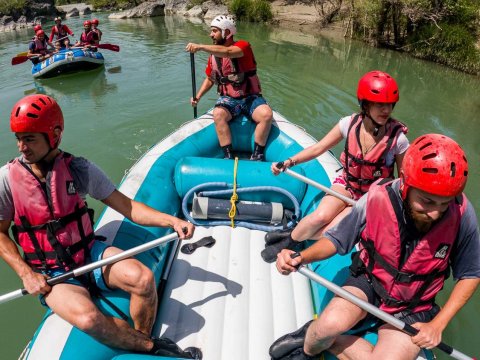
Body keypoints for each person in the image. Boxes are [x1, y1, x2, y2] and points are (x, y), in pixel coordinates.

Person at [0, 95, 201, 359]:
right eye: (19, 138)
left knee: (143, 279)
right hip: (51, 272)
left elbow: (128, 207)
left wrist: (172, 221)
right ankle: (149, 346)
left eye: (29, 139)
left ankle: (143, 337)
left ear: (55, 135)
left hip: (89, 253)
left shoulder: (80, 169)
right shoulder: (7, 179)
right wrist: (26, 273)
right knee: (87, 319)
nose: (21, 147)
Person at [273, 134, 480, 359]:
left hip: (414, 306)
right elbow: (337, 240)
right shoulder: (377, 196)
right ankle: (313, 338)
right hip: (369, 281)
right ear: (405, 183)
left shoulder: (462, 214)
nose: (435, 213)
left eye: (445, 203)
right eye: (427, 201)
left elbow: (470, 274)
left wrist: (438, 324)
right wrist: (301, 257)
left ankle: (333, 343)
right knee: (325, 328)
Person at [262, 70, 409, 263]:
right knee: (319, 217)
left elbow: (404, 181)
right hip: (347, 183)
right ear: (365, 104)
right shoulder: (349, 124)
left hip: (368, 198)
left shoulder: (399, 140)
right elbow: (319, 148)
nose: (386, 110)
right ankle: (290, 240)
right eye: (380, 104)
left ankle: (291, 237)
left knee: (334, 230)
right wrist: (289, 162)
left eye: (390, 105)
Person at [185, 15, 273, 161]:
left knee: (266, 115)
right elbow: (210, 79)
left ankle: (257, 155)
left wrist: (200, 47)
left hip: (251, 97)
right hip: (229, 99)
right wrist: (198, 97)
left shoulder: (243, 46)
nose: (211, 34)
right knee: (218, 114)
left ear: (226, 32)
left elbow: (228, 52)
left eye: (214, 31)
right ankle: (228, 156)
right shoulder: (213, 56)